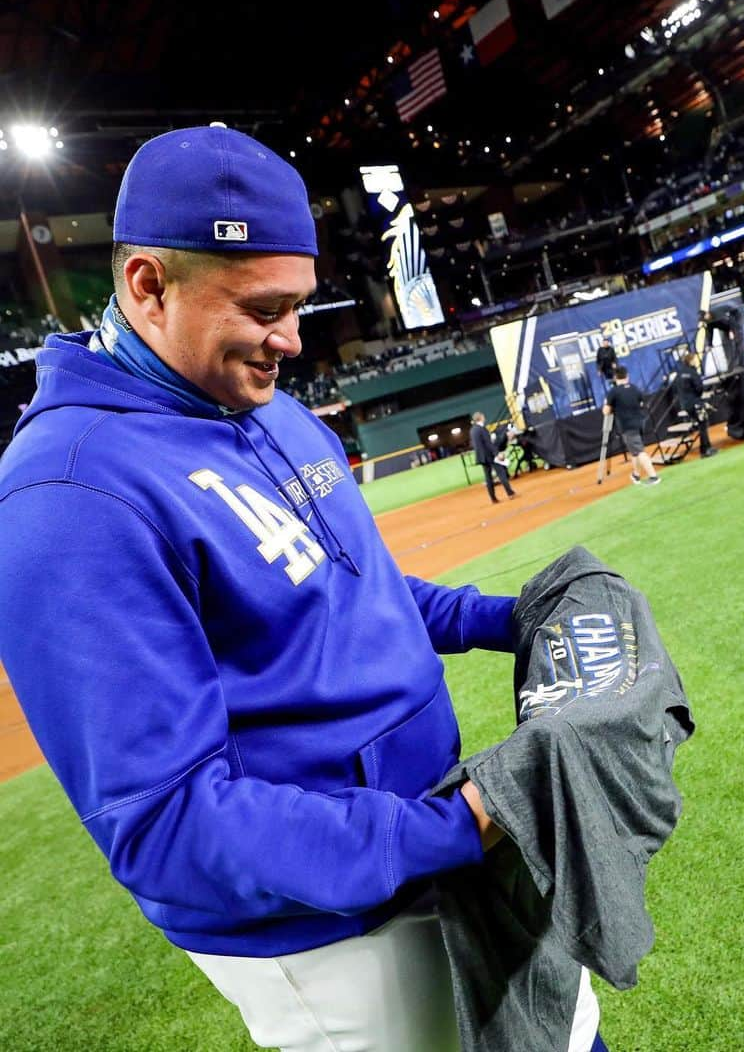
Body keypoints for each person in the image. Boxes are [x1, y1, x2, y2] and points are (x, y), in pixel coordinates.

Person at [0, 126, 606, 1052]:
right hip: (334, 936)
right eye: (264, 307)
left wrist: (508, 619)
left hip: (435, 836)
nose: (291, 338)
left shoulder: (263, 403)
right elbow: (169, 821)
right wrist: (459, 826)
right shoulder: (68, 495)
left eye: (301, 305)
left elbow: (351, 594)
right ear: (147, 286)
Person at [604, 365, 660, 485]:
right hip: (639, 423)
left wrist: (608, 404)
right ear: (627, 376)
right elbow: (643, 403)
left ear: (615, 377)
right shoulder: (634, 388)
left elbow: (606, 411)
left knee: (639, 451)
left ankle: (653, 476)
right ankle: (636, 475)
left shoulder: (613, 392)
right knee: (634, 451)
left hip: (627, 426)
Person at [671, 349, 716, 457]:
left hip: (685, 404)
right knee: (703, 425)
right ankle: (706, 449)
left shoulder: (679, 373)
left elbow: (674, 388)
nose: (697, 361)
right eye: (695, 359)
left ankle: (705, 448)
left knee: (701, 424)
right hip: (695, 402)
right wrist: (698, 398)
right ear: (691, 361)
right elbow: (699, 387)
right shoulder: (692, 372)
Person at [470, 410, 516, 503]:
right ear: (480, 418)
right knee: (501, 473)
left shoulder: (473, 430)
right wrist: (497, 453)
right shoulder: (482, 429)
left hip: (481, 457)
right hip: (489, 455)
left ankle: (493, 498)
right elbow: (488, 443)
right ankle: (510, 493)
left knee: (488, 477)